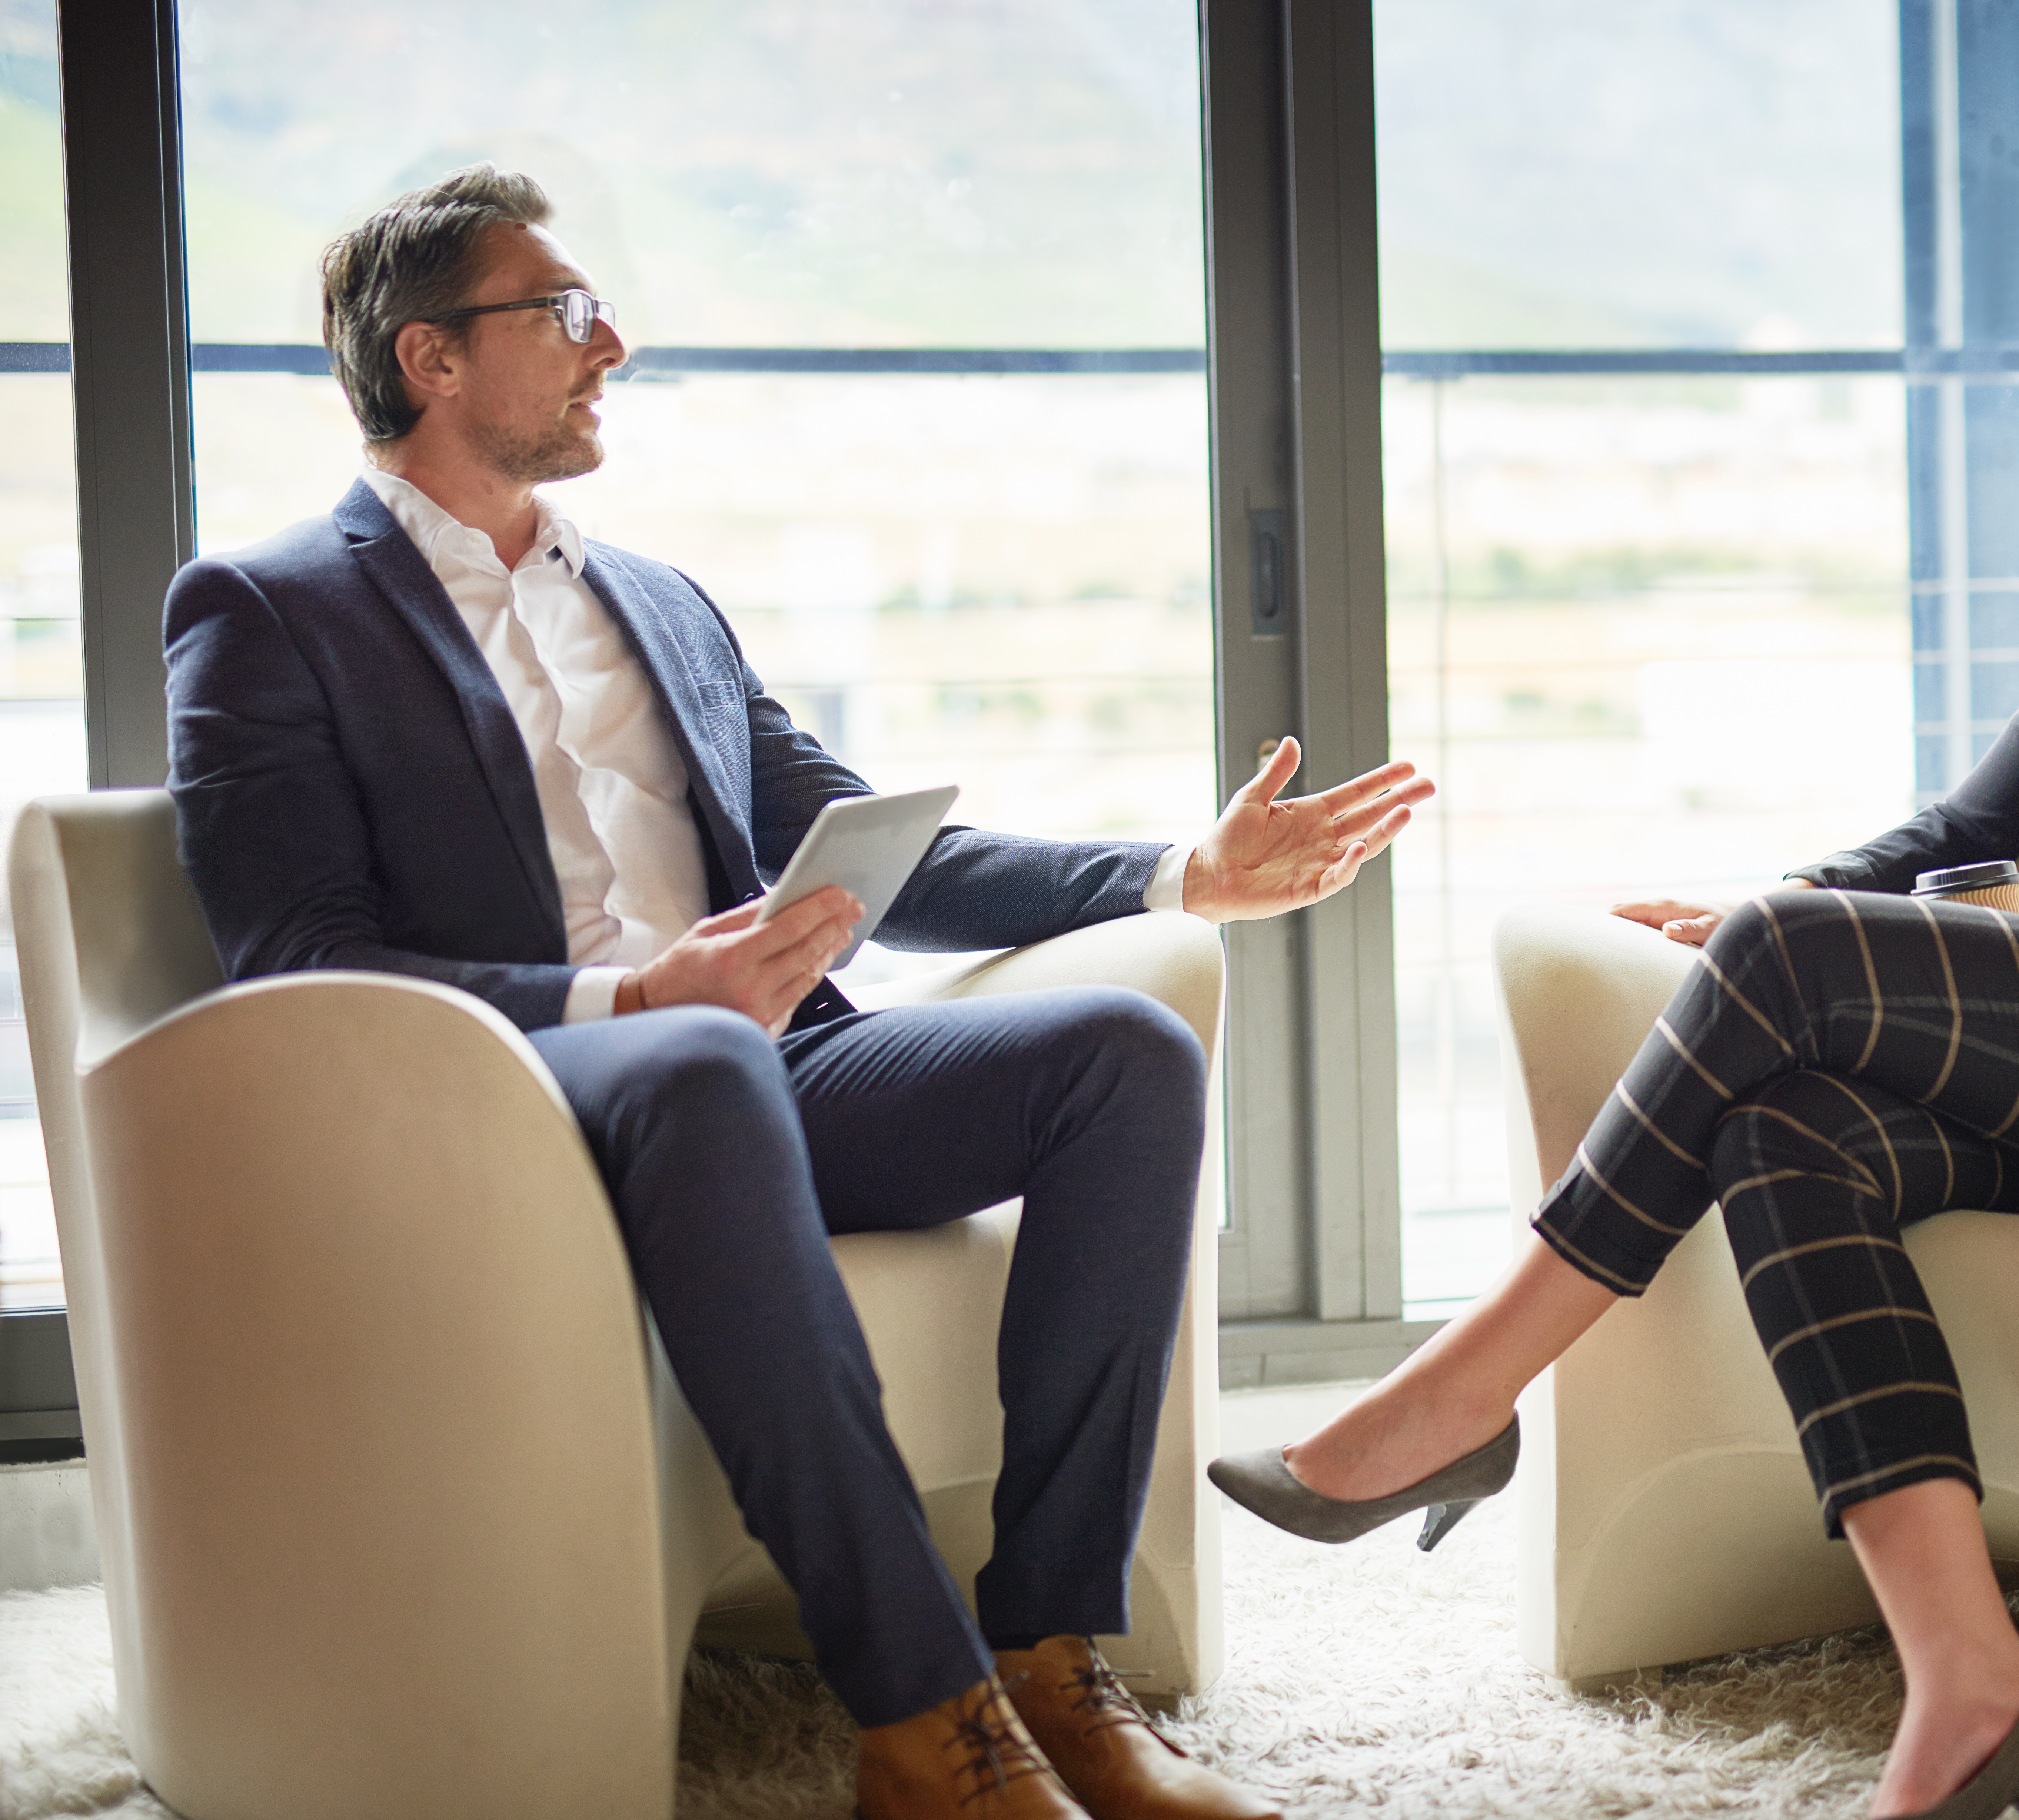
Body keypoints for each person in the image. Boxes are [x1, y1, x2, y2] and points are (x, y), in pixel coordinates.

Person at [1210, 189, 2019, 1820]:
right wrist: (1776, 906)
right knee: (1785, 1130)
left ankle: (1466, 1389)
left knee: (1791, 958)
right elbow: (1966, 824)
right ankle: (1968, 1676)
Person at [164, 165, 1435, 1820]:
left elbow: (873, 857)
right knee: (697, 1058)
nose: (610, 342)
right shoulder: (270, 611)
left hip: (762, 1075)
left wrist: (1180, 872)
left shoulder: (656, 600)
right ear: (433, 359)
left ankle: (1048, 1654)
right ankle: (920, 1716)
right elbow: (298, 956)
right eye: (564, 311)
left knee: (1122, 1053)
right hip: (510, 1095)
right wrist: (638, 1003)